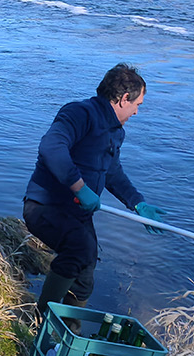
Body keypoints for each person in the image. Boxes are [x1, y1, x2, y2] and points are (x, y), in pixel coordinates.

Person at [23, 64, 164, 318]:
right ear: (123, 99)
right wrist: (80, 187)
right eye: (138, 104)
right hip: (45, 207)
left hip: (78, 215)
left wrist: (138, 203)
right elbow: (51, 147)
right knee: (79, 248)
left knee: (86, 274)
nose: (137, 111)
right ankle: (40, 319)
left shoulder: (115, 132)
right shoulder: (79, 113)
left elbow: (112, 172)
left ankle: (68, 331)